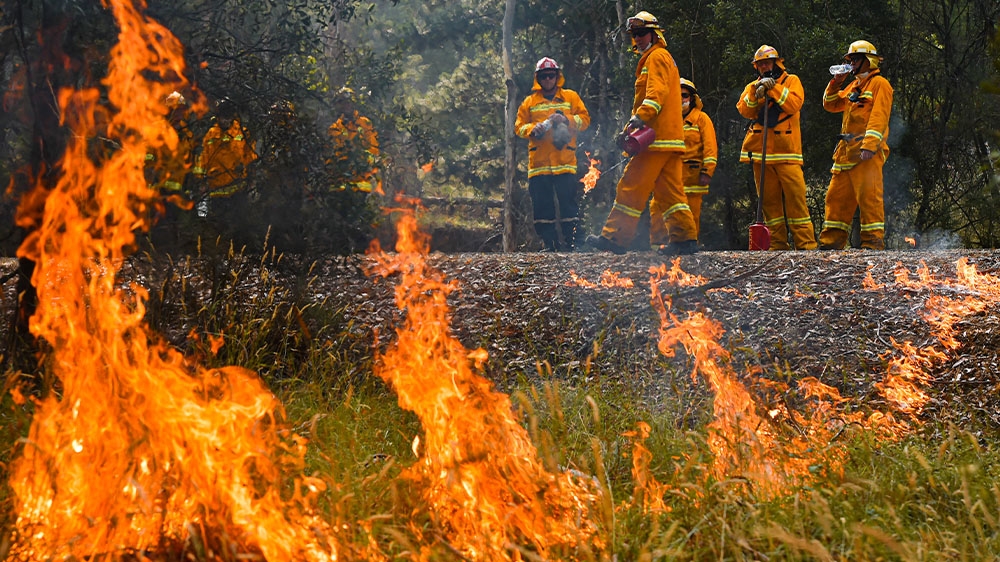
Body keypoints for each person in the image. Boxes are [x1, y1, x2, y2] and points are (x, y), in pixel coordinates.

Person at [586, 11, 697, 255]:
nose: (637, 38)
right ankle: (685, 239)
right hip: (671, 139)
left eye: (641, 33)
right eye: (634, 35)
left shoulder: (656, 57)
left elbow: (655, 95)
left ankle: (615, 238)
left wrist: (641, 117)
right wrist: (629, 129)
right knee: (671, 193)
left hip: (655, 140)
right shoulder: (663, 57)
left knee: (631, 184)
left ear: (655, 34)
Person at [736, 45, 817, 251]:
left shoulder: (791, 81)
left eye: (767, 62)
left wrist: (774, 88)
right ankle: (777, 244)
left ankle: (806, 245)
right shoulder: (752, 86)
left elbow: (793, 104)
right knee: (770, 204)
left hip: (787, 152)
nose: (764, 66)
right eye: (760, 64)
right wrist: (757, 91)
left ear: (776, 63)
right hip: (761, 153)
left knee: (796, 200)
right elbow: (744, 109)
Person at [819, 40, 893, 251]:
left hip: (866, 153)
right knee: (835, 199)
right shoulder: (854, 86)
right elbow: (830, 104)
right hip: (845, 154)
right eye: (849, 59)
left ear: (867, 60)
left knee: (870, 199)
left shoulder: (880, 85)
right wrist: (836, 82)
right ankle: (830, 245)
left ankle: (872, 245)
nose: (850, 63)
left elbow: (879, 117)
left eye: (854, 59)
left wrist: (869, 146)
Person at [514, 56, 591, 251]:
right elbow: (519, 127)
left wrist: (566, 120)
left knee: (569, 206)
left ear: (558, 76)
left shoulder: (571, 97)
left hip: (565, 162)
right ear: (537, 78)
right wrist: (532, 129)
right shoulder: (529, 102)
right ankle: (550, 245)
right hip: (539, 165)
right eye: (544, 76)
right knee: (542, 208)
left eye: (551, 75)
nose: (548, 79)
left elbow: (585, 120)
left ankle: (574, 244)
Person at [677, 78, 716, 240]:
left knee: (691, 216)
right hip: (670, 178)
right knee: (661, 215)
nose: (680, 99)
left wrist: (707, 171)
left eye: (684, 95)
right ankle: (661, 252)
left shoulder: (701, 119)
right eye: (677, 95)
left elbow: (710, 148)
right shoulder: (668, 120)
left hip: (693, 177)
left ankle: (689, 249)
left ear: (692, 98)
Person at [328, 88, 380, 195]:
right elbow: (332, 157)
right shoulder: (334, 128)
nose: (346, 105)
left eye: (348, 102)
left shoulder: (364, 123)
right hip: (340, 186)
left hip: (363, 184)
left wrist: (361, 158)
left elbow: (373, 150)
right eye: (341, 102)